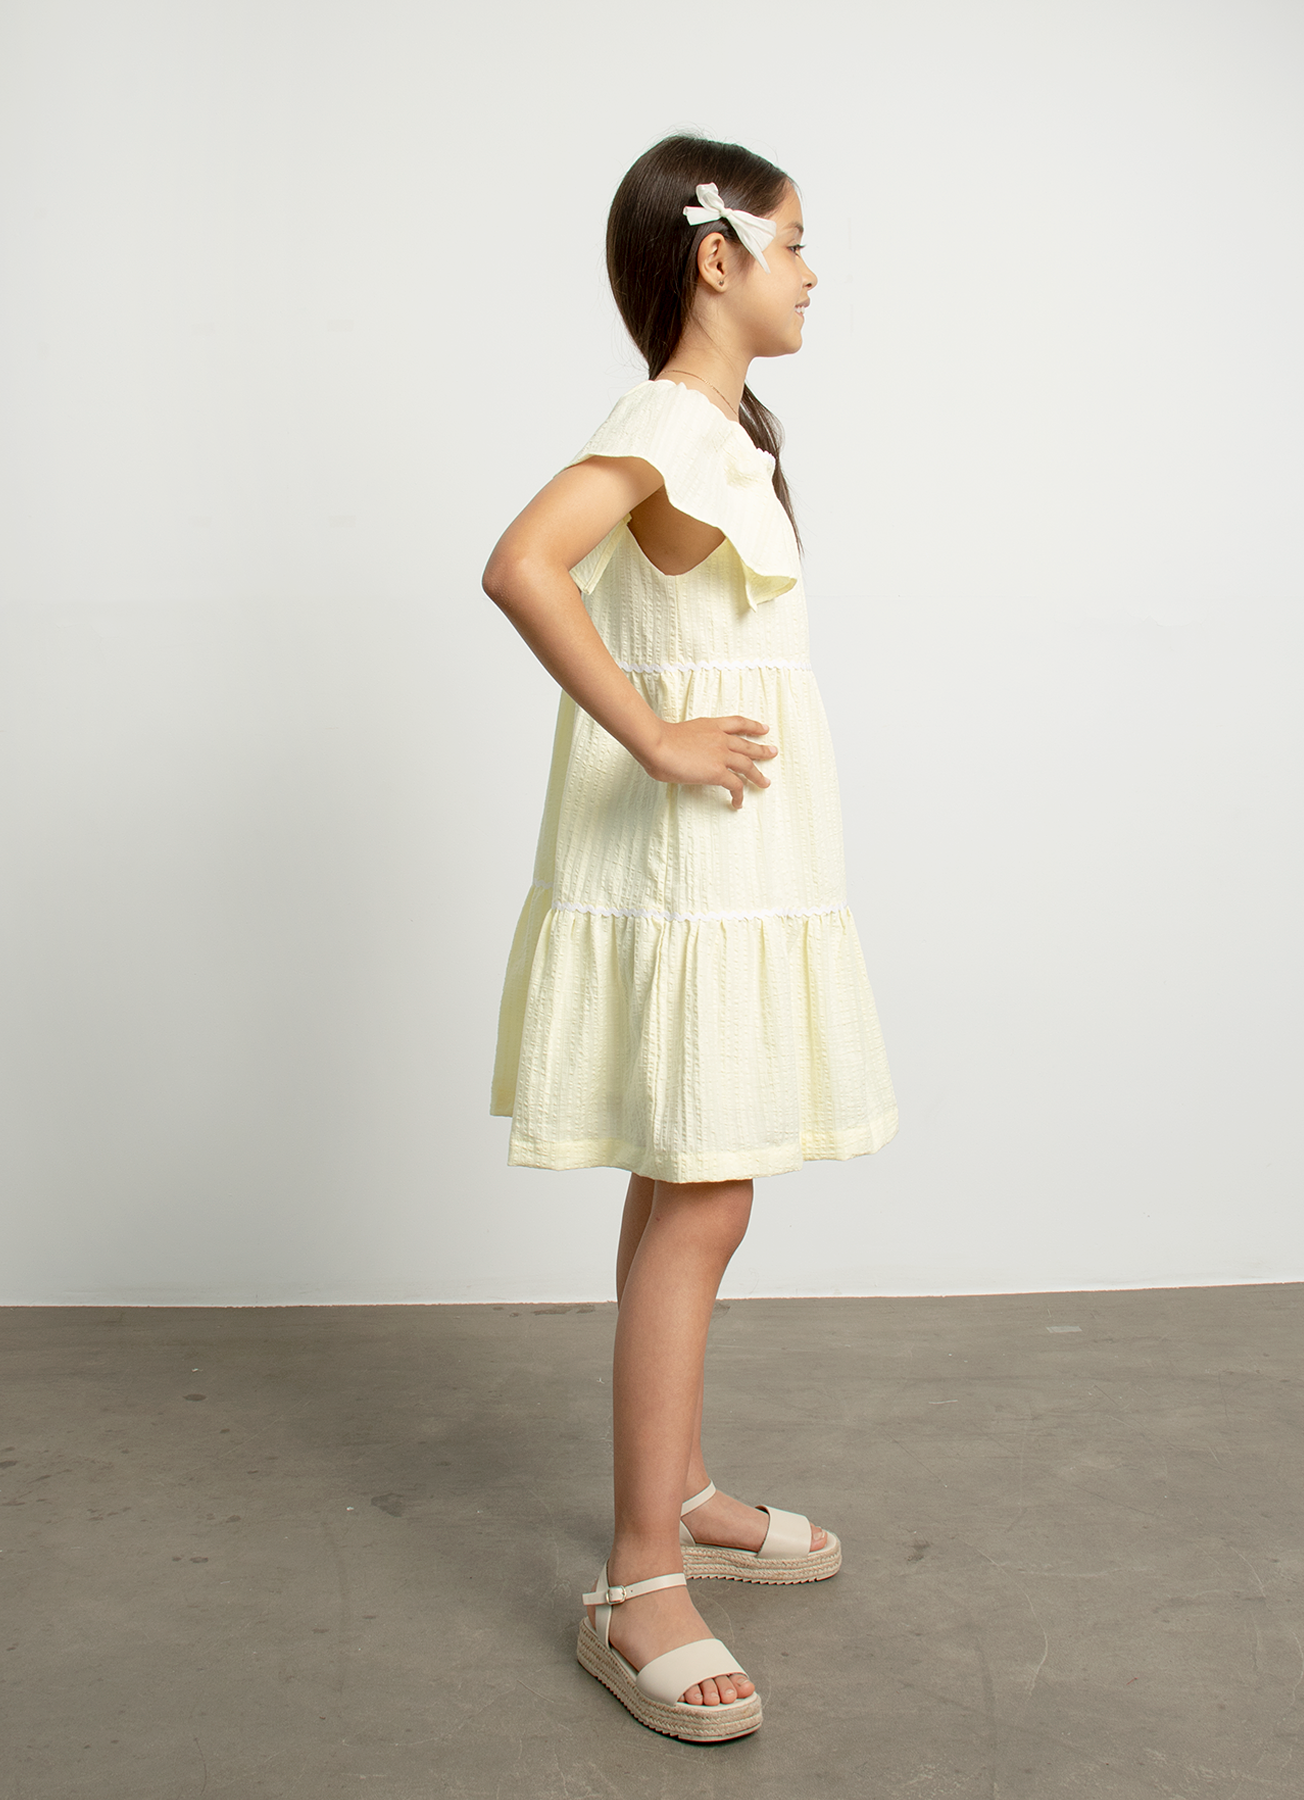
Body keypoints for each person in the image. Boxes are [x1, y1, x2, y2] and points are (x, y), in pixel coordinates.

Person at [483, 134, 898, 1743]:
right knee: (707, 1197)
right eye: (794, 243)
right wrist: (655, 736)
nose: (813, 272)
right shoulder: (664, 422)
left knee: (687, 1185)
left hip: (732, 863)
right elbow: (522, 564)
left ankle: (680, 1491)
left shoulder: (718, 433)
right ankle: (637, 1580)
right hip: (687, 869)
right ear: (718, 258)